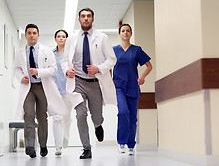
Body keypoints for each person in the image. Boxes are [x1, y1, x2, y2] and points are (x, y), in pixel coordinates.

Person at [61, 8, 117, 159]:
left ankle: (98, 125)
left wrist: (98, 68)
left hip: (95, 83)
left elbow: (112, 59)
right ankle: (86, 148)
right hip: (77, 82)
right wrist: (67, 71)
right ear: (79, 19)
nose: (86, 19)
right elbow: (64, 60)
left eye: (88, 16)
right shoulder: (72, 39)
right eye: (83, 16)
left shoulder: (102, 38)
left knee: (96, 115)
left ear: (92, 19)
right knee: (81, 114)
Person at [14, 24, 67, 158]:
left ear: (38, 35)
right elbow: (16, 68)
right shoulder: (20, 52)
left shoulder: (47, 51)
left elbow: (53, 69)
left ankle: (43, 145)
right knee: (29, 114)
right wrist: (22, 78)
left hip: (43, 87)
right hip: (29, 88)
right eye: (29, 33)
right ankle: (30, 146)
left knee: (42, 117)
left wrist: (38, 72)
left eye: (34, 33)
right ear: (26, 35)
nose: (32, 35)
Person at [112, 23, 152, 156]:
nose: (125, 33)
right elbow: (107, 67)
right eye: (123, 31)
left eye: (128, 31)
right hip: (118, 87)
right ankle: (121, 142)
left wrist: (142, 77)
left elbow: (149, 66)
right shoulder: (113, 50)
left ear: (131, 34)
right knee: (123, 112)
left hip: (133, 87)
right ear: (119, 34)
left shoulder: (137, 50)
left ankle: (131, 144)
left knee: (133, 117)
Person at [51, 29, 73, 156]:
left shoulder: (70, 54)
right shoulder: (51, 54)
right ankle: (58, 147)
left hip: (69, 90)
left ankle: (66, 136)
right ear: (55, 39)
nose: (61, 38)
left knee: (67, 118)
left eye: (63, 36)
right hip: (55, 90)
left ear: (66, 39)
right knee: (57, 117)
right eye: (58, 36)